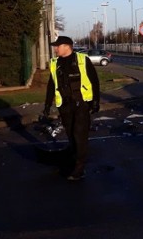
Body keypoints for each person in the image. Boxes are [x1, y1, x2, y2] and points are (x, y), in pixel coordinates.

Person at [42, 36, 100, 180]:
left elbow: (94, 81)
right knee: (70, 135)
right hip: (64, 105)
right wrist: (47, 105)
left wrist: (96, 101)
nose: (55, 48)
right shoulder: (55, 63)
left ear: (67, 46)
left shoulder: (82, 60)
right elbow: (51, 85)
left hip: (81, 104)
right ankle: (74, 161)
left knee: (79, 135)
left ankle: (79, 169)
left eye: (57, 46)